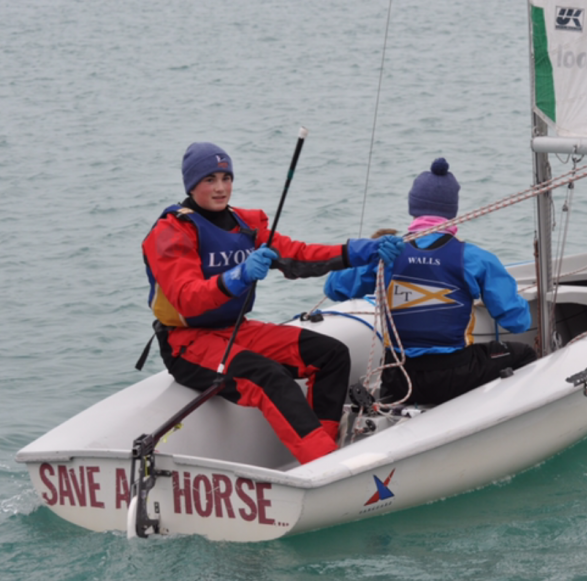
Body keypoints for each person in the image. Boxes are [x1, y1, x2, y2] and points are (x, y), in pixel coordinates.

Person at [142, 142, 404, 464]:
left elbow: (300, 257)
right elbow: (187, 299)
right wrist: (238, 276)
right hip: (186, 343)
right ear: (192, 185)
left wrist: (361, 251)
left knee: (332, 354)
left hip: (236, 330)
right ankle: (324, 462)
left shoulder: (245, 226)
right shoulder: (171, 231)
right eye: (210, 179)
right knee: (269, 377)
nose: (221, 187)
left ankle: (322, 446)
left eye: (226, 177)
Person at [324, 157, 537, 405]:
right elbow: (518, 322)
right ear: (452, 210)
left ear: (413, 207)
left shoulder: (387, 254)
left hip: (400, 378)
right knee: (524, 354)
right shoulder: (474, 258)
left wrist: (368, 250)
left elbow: (333, 288)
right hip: (456, 375)